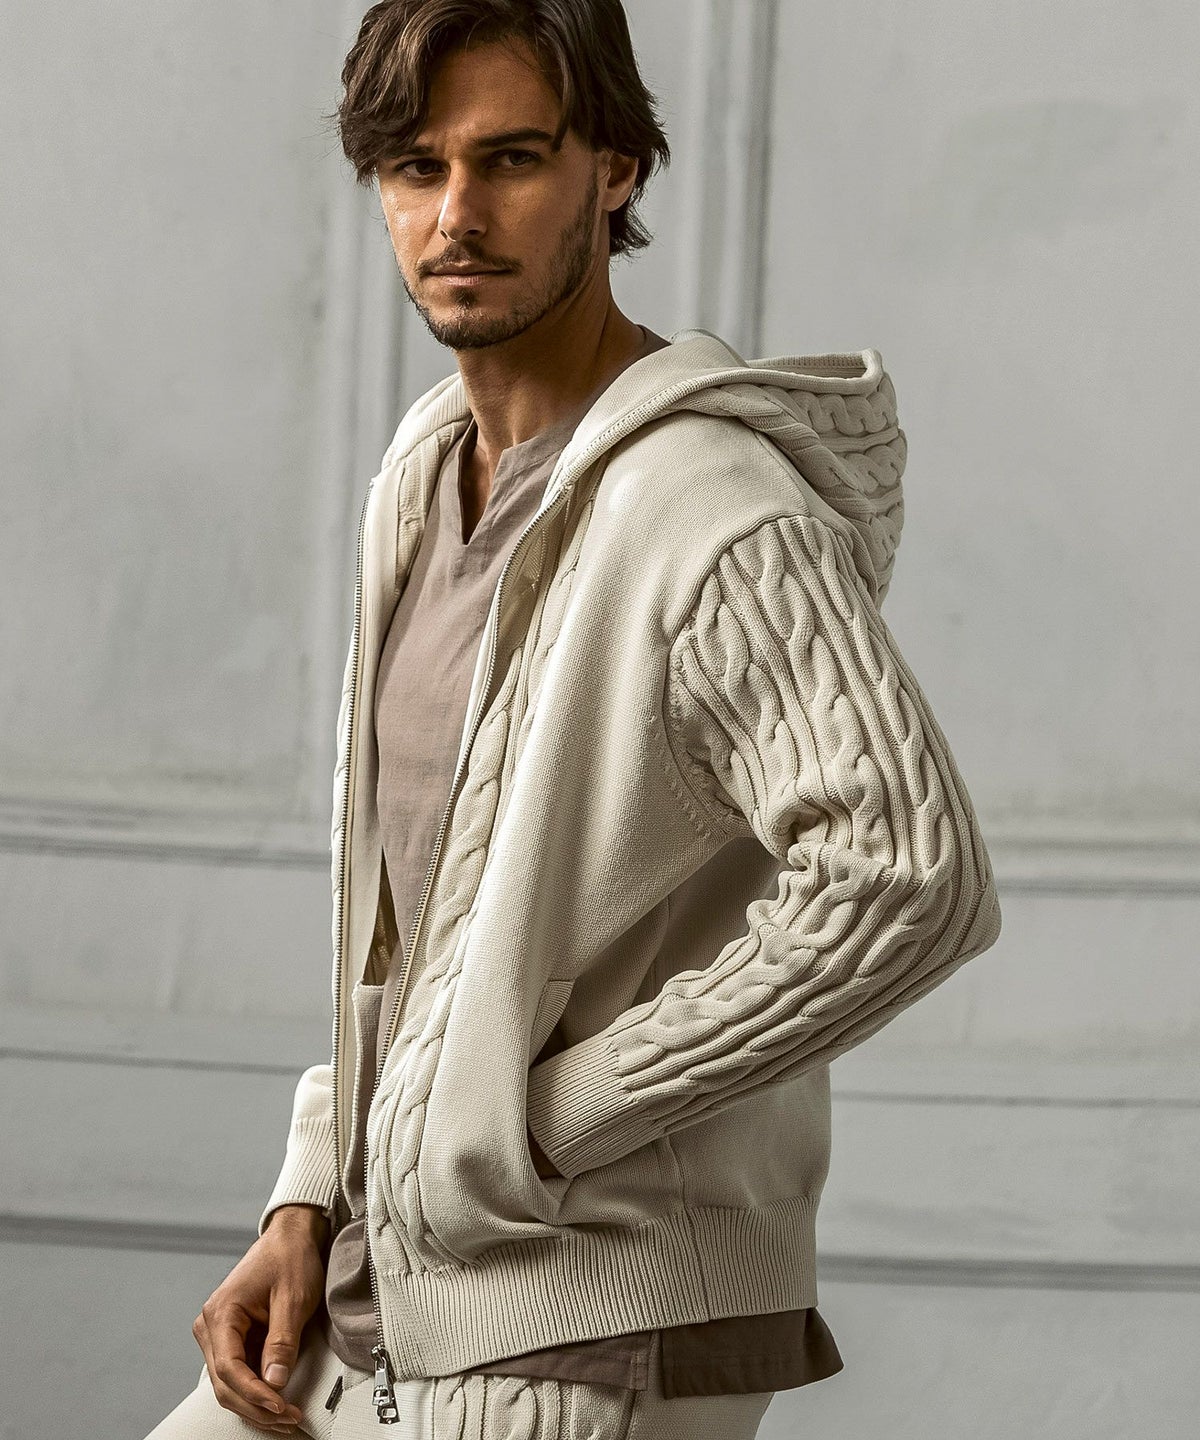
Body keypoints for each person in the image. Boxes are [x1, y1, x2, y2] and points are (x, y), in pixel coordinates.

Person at [147, 1, 1003, 1436]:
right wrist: (313, 1191)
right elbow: (422, 926)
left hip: (594, 1318)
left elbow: (909, 878)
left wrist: (537, 1122)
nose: (456, 216)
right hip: (387, 1274)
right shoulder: (426, 472)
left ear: (614, 166)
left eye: (511, 159)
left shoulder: (712, 509)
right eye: (416, 168)